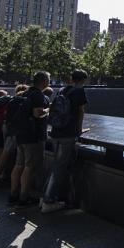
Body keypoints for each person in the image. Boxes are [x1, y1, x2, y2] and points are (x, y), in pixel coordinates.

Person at [41, 69, 89, 213]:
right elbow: (81, 111)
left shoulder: (62, 89)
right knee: (60, 167)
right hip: (68, 134)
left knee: (57, 164)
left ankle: (43, 197)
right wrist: (79, 130)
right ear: (83, 80)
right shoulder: (79, 91)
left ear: (71, 78)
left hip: (56, 131)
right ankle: (48, 201)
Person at [9, 72, 50, 207]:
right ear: (44, 81)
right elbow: (38, 114)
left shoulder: (25, 93)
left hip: (21, 134)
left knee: (19, 164)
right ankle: (23, 197)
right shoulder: (38, 95)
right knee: (30, 166)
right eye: (48, 80)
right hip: (34, 136)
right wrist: (49, 109)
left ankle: (13, 194)